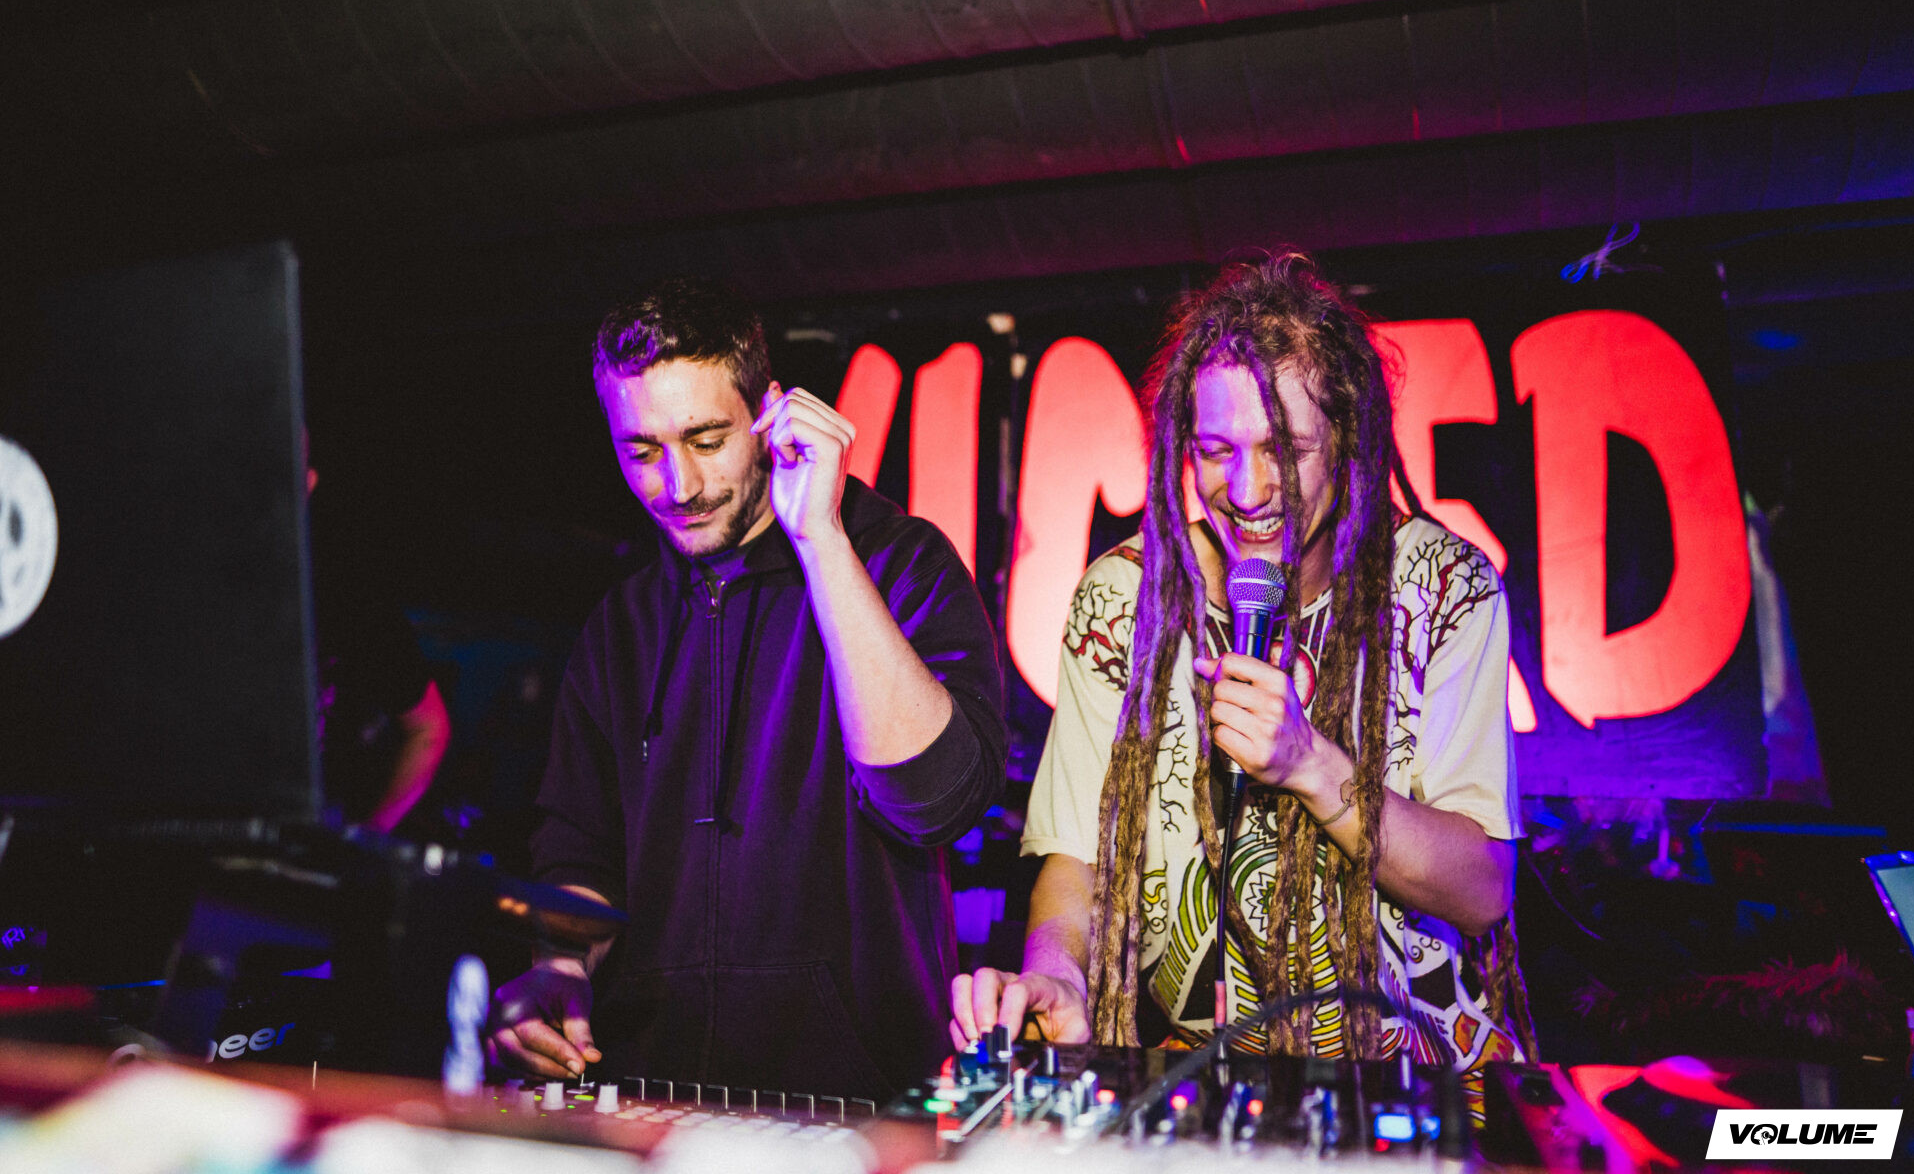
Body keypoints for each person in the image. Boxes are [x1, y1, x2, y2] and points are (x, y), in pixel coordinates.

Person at [951, 253, 1531, 1106]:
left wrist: (1310, 764)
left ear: (1350, 440)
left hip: (1422, 1088)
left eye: (1284, 450)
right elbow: (1075, 857)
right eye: (1216, 451)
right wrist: (1059, 975)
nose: (1248, 490)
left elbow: (1480, 889)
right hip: (1203, 1084)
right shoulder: (1123, 599)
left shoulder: (1444, 588)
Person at [489, 278, 1006, 1099]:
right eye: (642, 451)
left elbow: (934, 801)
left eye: (706, 439)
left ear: (768, 414)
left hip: (856, 1101)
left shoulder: (898, 562)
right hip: (652, 1095)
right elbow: (579, 847)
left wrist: (821, 538)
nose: (678, 485)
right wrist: (560, 967)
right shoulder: (622, 623)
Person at [306, 431, 450, 834]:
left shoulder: (346, 589)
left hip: (300, 848)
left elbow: (428, 728)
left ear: (308, 481)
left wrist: (365, 840)